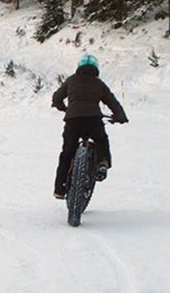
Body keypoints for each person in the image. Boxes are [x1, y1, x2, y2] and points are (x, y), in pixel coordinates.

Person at [51, 54, 128, 199]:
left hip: (73, 121)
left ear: (79, 67)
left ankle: (59, 189)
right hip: (93, 120)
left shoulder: (71, 80)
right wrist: (120, 116)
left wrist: (64, 108)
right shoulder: (98, 84)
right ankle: (103, 163)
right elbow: (112, 102)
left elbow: (56, 98)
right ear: (95, 68)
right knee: (101, 140)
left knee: (67, 153)